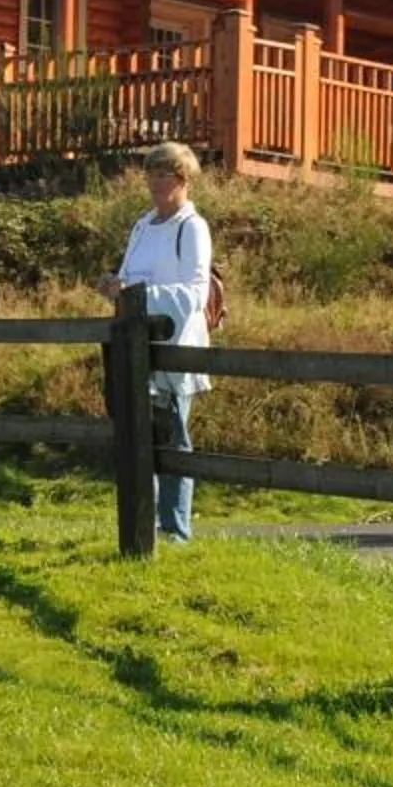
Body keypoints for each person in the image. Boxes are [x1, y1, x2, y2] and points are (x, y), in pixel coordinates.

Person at [101, 141, 224, 541]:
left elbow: (193, 293)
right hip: (135, 344)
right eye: (150, 174)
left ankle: (176, 528)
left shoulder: (192, 227)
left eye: (163, 174)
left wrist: (136, 292)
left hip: (172, 346)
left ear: (183, 179)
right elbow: (129, 278)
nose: (155, 183)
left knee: (173, 437)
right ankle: (146, 523)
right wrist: (115, 287)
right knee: (140, 434)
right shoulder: (142, 225)